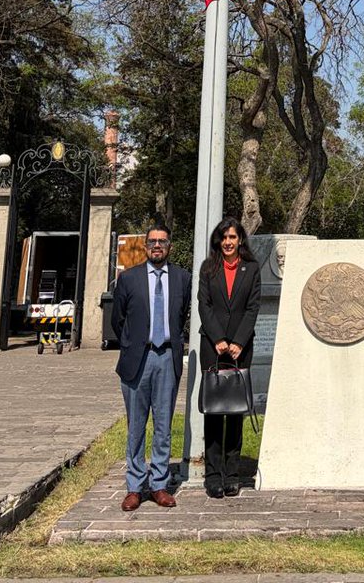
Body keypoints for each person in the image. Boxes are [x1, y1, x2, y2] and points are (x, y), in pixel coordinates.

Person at [111, 218, 192, 512]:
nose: (157, 246)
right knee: (136, 426)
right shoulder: (129, 279)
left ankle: (159, 484)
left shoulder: (182, 278)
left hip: (166, 357)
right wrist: (133, 344)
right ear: (146, 246)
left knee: (163, 425)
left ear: (170, 246)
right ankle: (134, 486)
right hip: (138, 359)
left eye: (162, 241)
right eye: (152, 242)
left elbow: (181, 315)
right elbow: (117, 320)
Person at [198, 217, 261, 498]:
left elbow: (252, 307)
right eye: (224, 237)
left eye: (232, 237)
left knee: (235, 412)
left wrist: (238, 342)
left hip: (240, 349)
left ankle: (232, 474)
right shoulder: (208, 267)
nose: (228, 242)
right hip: (213, 347)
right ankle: (213, 475)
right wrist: (218, 339)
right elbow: (204, 304)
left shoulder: (252, 269)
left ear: (240, 240)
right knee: (214, 411)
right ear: (218, 240)